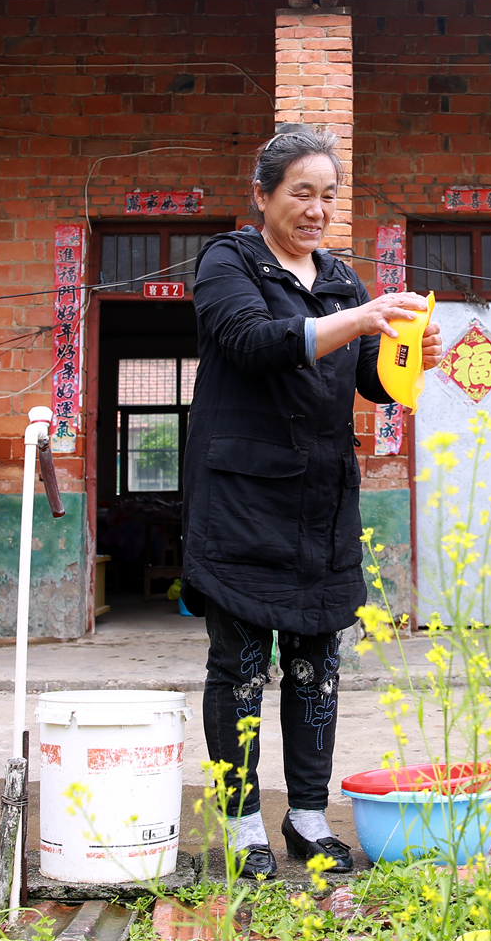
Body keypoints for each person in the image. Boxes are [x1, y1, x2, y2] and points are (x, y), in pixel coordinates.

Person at [182, 128, 441, 878]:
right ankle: (240, 830)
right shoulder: (230, 261)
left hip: (321, 504)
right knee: (237, 666)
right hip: (238, 503)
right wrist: (359, 321)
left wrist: (407, 356)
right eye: (301, 191)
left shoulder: (341, 278)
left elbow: (368, 376)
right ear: (261, 195)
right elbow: (254, 342)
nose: (317, 209)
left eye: (329, 195)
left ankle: (303, 816)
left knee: (316, 667)